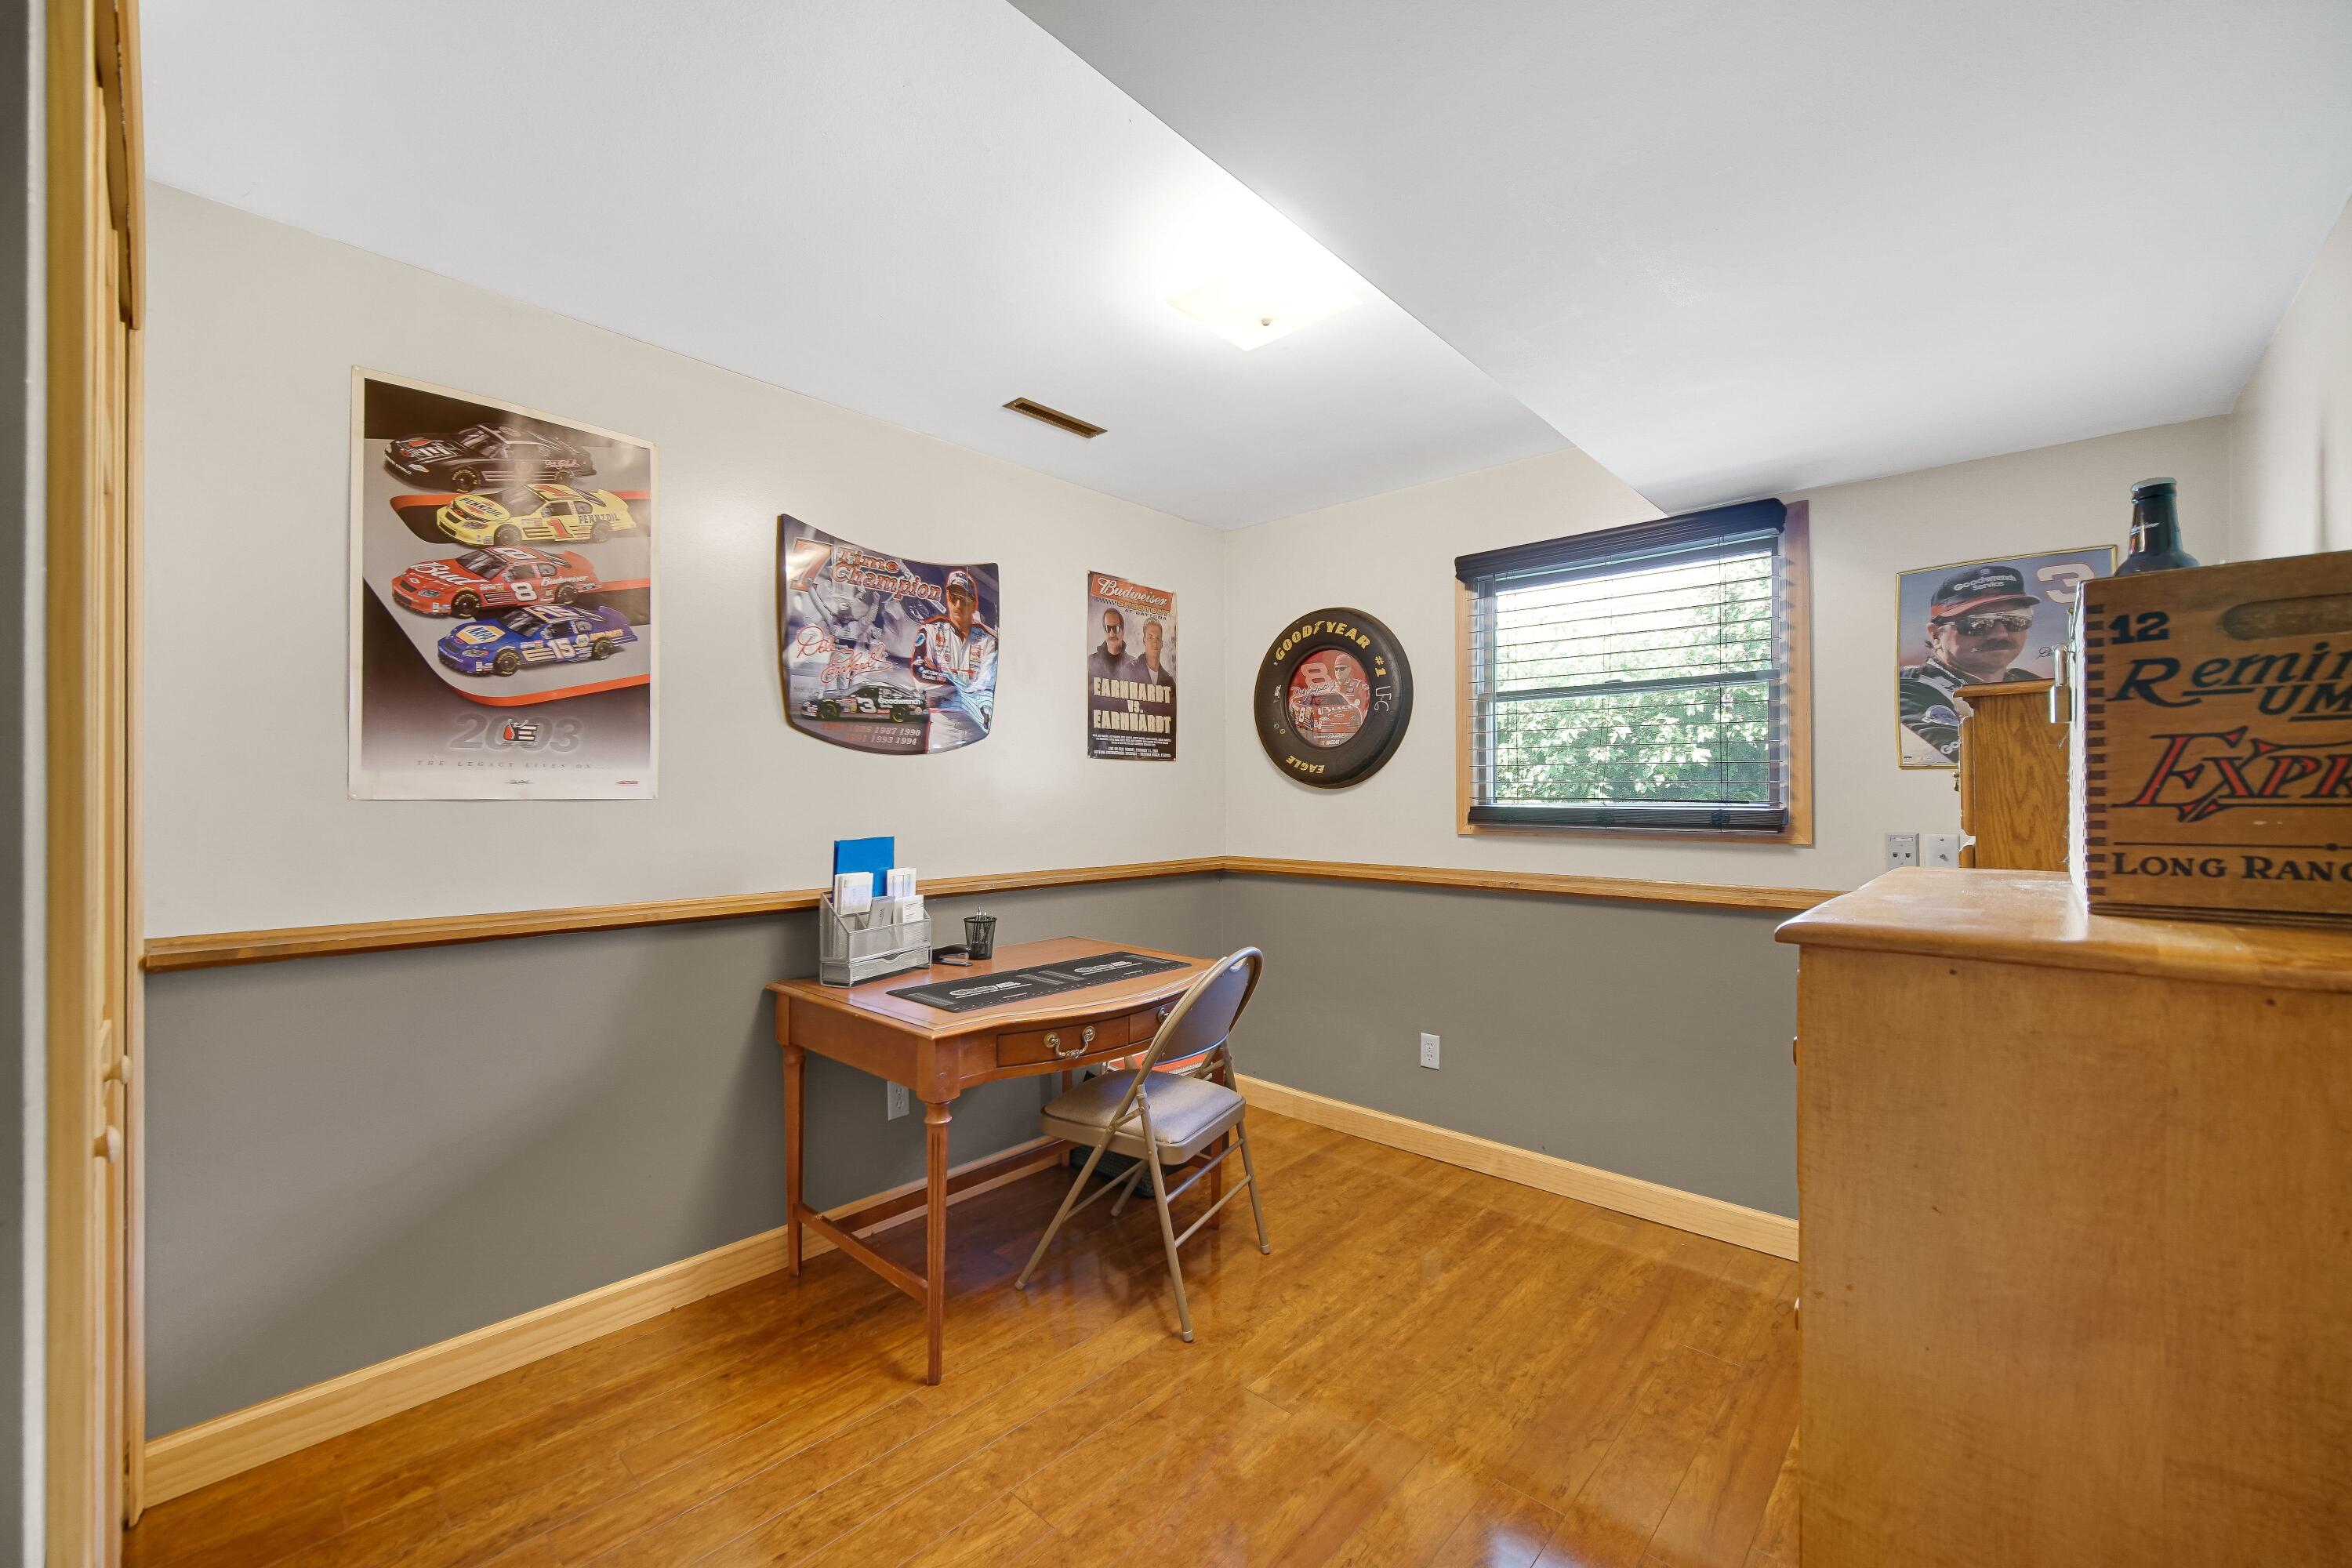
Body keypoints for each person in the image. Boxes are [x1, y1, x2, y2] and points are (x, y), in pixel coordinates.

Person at [1900, 564, 2045, 764]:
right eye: (1976, 623)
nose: (2000, 634)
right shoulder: (1910, 690)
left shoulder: (2028, 682)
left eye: (2015, 620)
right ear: (1935, 634)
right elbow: (1978, 762)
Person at [911, 569, 997, 742]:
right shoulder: (930, 631)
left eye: (964, 598)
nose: (958, 604)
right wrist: (965, 683)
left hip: (978, 730)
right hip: (942, 729)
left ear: (974, 604)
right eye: (953, 597)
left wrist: (942, 678)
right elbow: (920, 674)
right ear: (948, 599)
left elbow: (986, 689)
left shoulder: (989, 641)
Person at [1088, 608, 1143, 685]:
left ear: (1123, 631)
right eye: (1108, 628)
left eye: (1116, 629)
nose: (1111, 634)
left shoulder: (1135, 666)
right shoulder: (1090, 662)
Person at [1137, 615, 1175, 698]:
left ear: (1162, 644)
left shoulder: (1170, 682)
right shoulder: (1130, 670)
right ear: (1144, 641)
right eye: (1150, 637)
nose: (1154, 643)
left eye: (1157, 638)